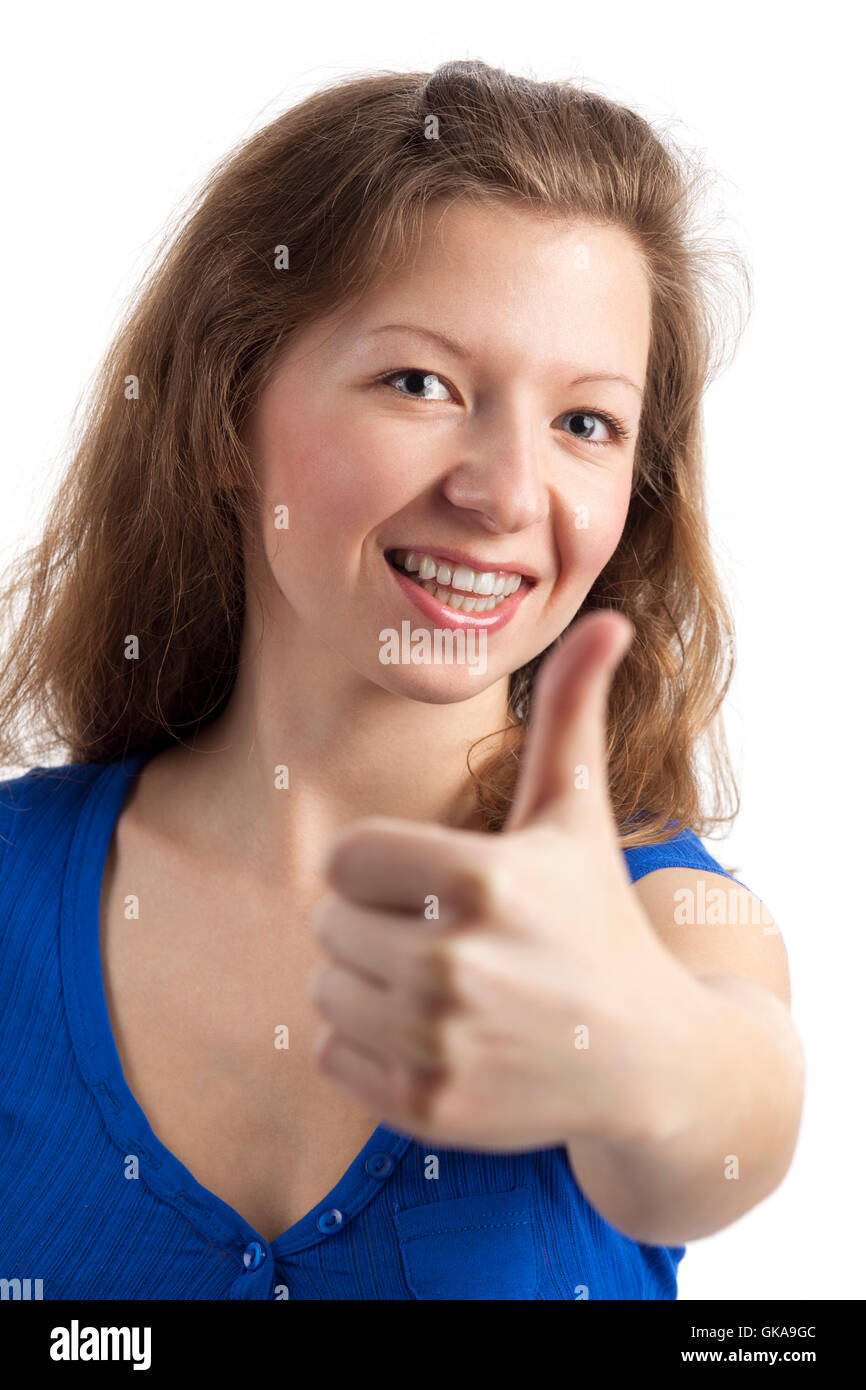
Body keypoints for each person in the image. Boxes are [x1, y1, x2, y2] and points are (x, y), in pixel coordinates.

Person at [0, 60, 804, 1301]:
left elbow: (725, 1117)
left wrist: (629, 1051)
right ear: (227, 413)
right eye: (420, 384)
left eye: (584, 422)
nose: (504, 492)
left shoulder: (655, 920)